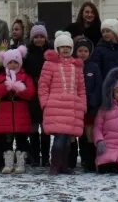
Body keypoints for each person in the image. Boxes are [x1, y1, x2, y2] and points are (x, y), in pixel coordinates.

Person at [38, 31, 86, 174]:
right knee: (59, 140)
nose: (65, 49)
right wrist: (45, 103)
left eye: (68, 47)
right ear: (57, 48)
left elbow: (81, 89)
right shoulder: (50, 64)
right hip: (55, 107)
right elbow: (43, 86)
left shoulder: (77, 66)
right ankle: (55, 165)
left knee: (67, 142)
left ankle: (63, 166)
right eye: (62, 47)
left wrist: (82, 105)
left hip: (72, 108)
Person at [0, 46, 37, 174]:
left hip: (21, 111)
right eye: (10, 62)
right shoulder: (1, 77)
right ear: (6, 63)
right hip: (5, 112)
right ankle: (8, 163)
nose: (12, 64)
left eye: (15, 62)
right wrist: (7, 86)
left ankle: (21, 163)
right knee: (7, 140)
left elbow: (31, 92)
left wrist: (18, 89)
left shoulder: (25, 76)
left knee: (21, 139)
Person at [71, 38, 101, 172]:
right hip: (75, 107)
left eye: (85, 51)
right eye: (80, 51)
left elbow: (98, 86)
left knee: (89, 133)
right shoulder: (72, 66)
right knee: (77, 133)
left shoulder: (94, 67)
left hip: (90, 107)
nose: (83, 53)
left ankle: (90, 160)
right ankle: (76, 158)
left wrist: (92, 100)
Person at [24, 23, 52, 167]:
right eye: (36, 37)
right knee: (33, 127)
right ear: (32, 38)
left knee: (45, 127)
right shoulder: (27, 54)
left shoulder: (50, 53)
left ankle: (46, 157)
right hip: (32, 93)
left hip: (47, 93)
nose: (39, 39)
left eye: (42, 36)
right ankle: (35, 156)